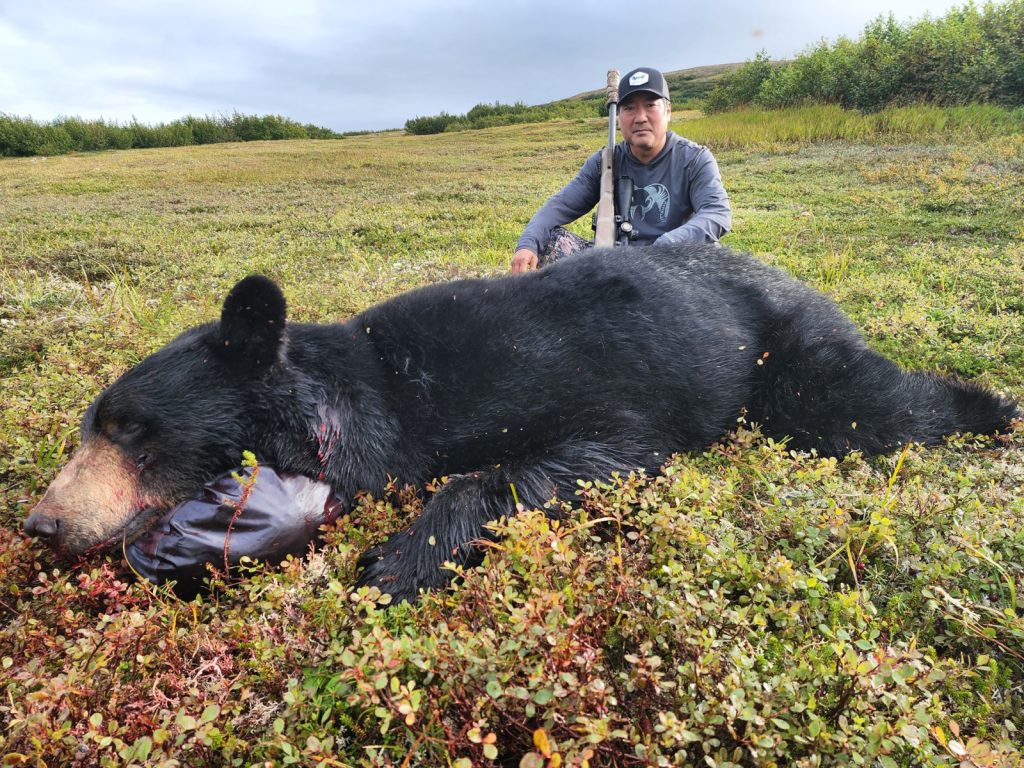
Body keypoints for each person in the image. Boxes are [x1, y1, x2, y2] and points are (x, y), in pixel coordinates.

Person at [512, 67, 732, 273]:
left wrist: (666, 246)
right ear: (619, 118)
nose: (640, 117)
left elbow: (717, 214)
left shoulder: (695, 158)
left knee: (712, 257)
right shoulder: (604, 162)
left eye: (650, 105)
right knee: (551, 241)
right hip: (617, 263)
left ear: (668, 111)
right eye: (629, 108)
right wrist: (528, 244)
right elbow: (560, 205)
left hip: (674, 263)